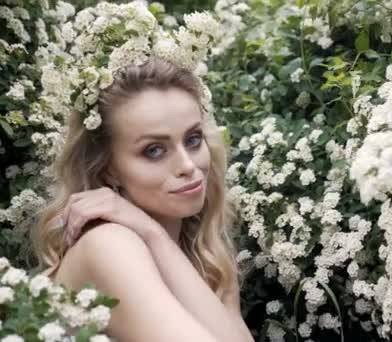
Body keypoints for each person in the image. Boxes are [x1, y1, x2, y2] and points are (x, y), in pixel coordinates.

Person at [31, 57, 254, 342]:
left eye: (193, 139)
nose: (188, 165)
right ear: (109, 168)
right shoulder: (107, 244)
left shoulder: (204, 257)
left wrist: (153, 234)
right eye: (154, 151)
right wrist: (152, 235)